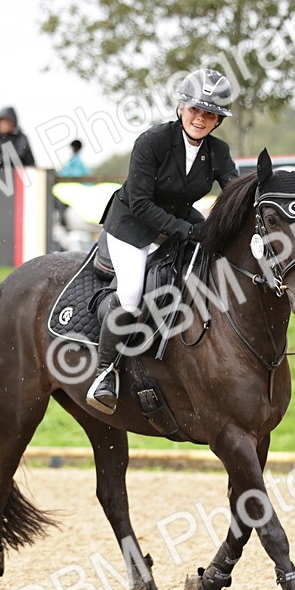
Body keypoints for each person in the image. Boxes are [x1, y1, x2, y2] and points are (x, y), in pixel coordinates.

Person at [86, 68, 238, 414]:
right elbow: (141, 203)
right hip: (132, 225)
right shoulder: (152, 141)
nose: (200, 118)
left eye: (209, 114)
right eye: (195, 109)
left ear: (218, 120)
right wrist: (188, 231)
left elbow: (235, 194)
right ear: (181, 108)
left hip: (180, 219)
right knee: (131, 294)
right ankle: (105, 373)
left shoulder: (218, 151)